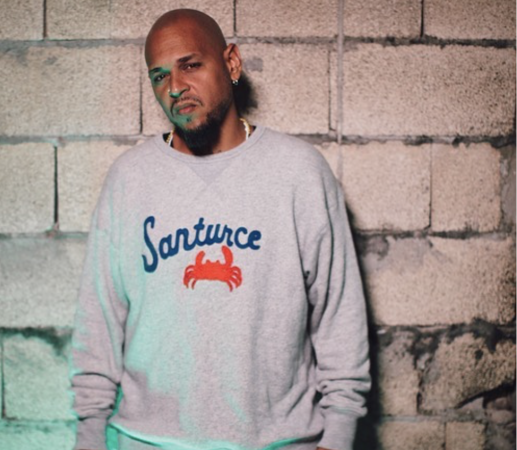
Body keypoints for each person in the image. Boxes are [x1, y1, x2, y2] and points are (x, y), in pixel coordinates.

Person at [70, 9, 371, 450]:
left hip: (279, 441)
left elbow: (338, 311)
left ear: (231, 63)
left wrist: (339, 434)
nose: (175, 87)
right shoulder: (129, 179)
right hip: (145, 440)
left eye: (190, 65)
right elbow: (99, 316)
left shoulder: (298, 172)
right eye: (159, 76)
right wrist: (89, 433)